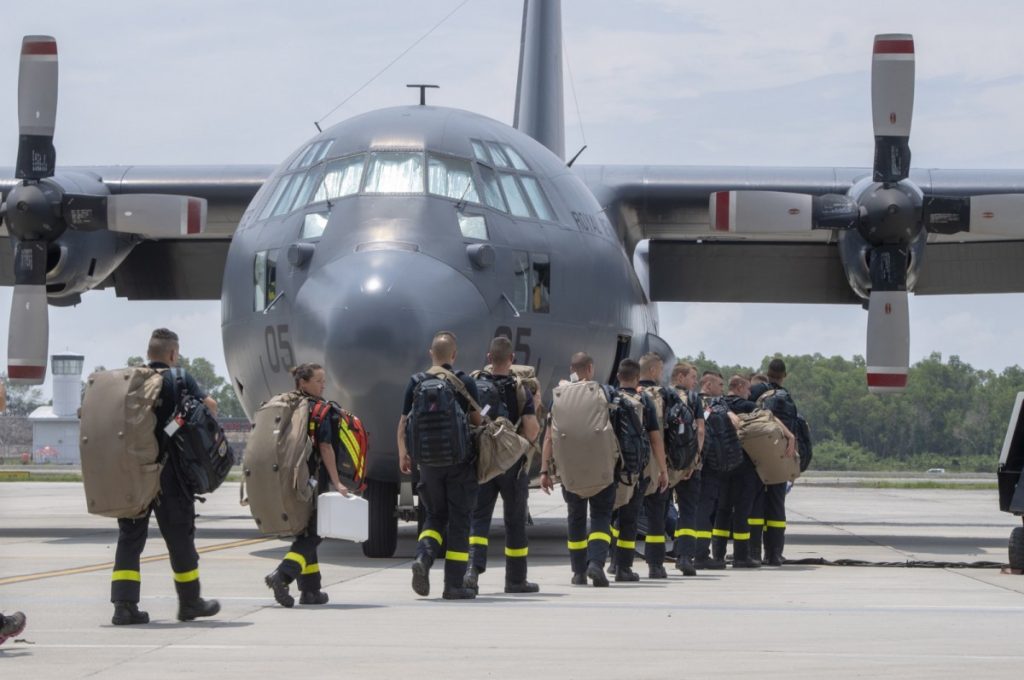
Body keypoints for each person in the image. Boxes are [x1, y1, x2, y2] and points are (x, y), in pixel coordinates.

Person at [110, 328, 220, 625]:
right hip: (170, 474)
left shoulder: (131, 380)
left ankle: (123, 606)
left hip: (134, 473)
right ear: (172, 353)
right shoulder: (179, 378)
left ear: (149, 353)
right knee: (180, 538)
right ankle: (189, 602)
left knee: (130, 538)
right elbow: (210, 407)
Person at [398, 331, 482, 600]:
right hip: (460, 463)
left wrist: (404, 453)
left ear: (431, 353)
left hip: (428, 464)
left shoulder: (416, 382)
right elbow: (477, 421)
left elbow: (402, 424)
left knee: (434, 517)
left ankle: (423, 557)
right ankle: (453, 585)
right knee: (459, 522)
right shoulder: (464, 381)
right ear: (454, 355)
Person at [265, 363, 350, 607]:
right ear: (303, 383)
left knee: (305, 532)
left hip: (285, 480)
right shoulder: (319, 409)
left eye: (324, 380)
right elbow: (325, 447)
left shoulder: (285, 406)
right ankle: (282, 575)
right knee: (315, 532)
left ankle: (311, 590)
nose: (323, 385)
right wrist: (337, 481)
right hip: (311, 482)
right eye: (318, 381)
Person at [465, 337, 541, 594]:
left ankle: (472, 571)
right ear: (512, 360)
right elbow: (531, 429)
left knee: (478, 519)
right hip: (512, 464)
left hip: (484, 462)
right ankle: (516, 580)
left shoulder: (475, 385)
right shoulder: (520, 389)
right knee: (515, 521)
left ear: (489, 358)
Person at [539, 352, 617, 587]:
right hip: (602, 467)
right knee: (602, 517)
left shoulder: (558, 398)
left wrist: (544, 469)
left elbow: (549, 438)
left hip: (570, 470)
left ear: (572, 369)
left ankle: (578, 571)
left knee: (576, 518)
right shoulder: (604, 392)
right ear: (590, 368)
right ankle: (596, 563)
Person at [611, 357, 669, 581]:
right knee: (648, 516)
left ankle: (614, 562)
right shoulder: (647, 400)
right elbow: (656, 439)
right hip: (643, 467)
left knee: (615, 515)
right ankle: (653, 566)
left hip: (616, 467)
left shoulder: (608, 396)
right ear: (637, 377)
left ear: (618, 377)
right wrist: (664, 470)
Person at [749, 358, 801, 566]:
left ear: (767, 373)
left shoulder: (756, 393)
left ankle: (752, 552)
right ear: (784, 376)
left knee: (756, 505)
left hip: (756, 456)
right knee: (777, 506)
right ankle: (774, 554)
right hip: (781, 456)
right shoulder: (786, 398)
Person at [670, 363, 705, 576]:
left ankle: (652, 562)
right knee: (688, 510)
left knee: (657, 509)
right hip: (688, 463)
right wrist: (694, 459)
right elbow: (700, 430)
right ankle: (684, 557)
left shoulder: (662, 395)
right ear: (681, 377)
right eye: (693, 377)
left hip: (664, 464)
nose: (695, 382)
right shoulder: (693, 399)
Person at [694, 370, 727, 569]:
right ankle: (701, 555)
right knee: (704, 512)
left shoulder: (689, 402)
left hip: (692, 466)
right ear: (708, 385)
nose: (722, 390)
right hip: (708, 467)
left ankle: (688, 552)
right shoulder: (711, 407)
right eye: (719, 385)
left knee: (692, 511)